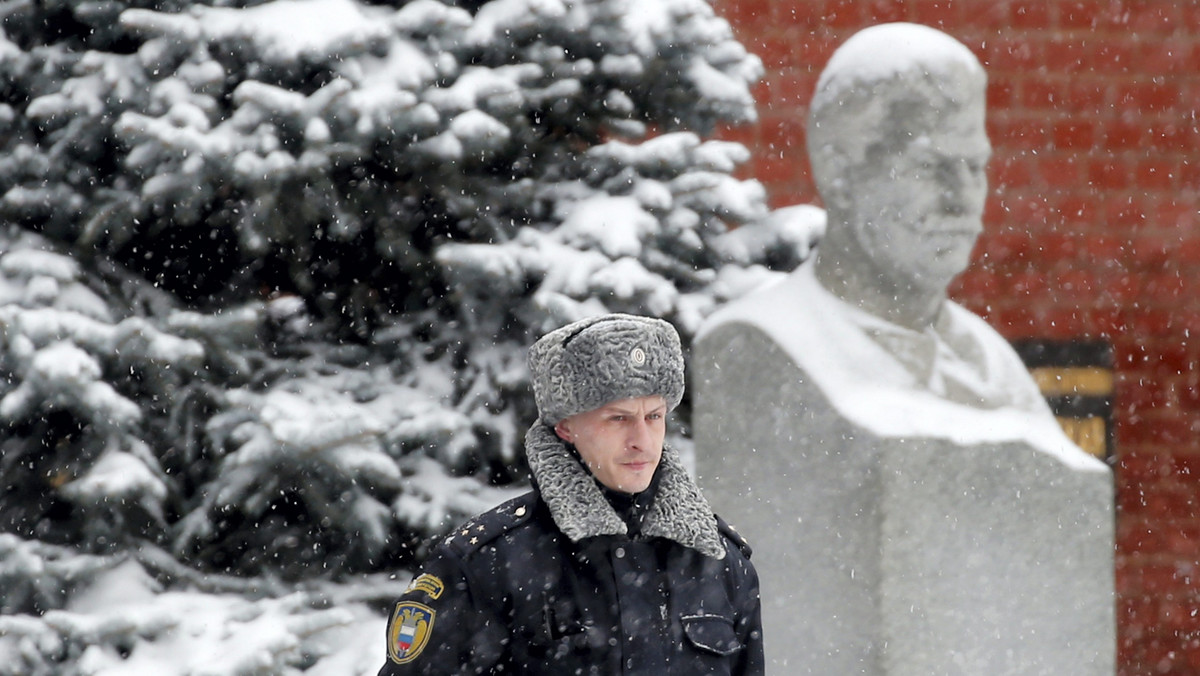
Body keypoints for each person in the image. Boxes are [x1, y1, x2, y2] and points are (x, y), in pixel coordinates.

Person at [693, 23, 1112, 673]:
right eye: (927, 166)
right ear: (841, 170)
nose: (960, 198)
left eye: (973, 165)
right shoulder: (760, 349)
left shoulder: (993, 362)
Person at [379, 313, 764, 675]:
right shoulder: (487, 564)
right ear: (565, 427)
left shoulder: (720, 562)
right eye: (619, 418)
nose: (642, 442)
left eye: (654, 416)